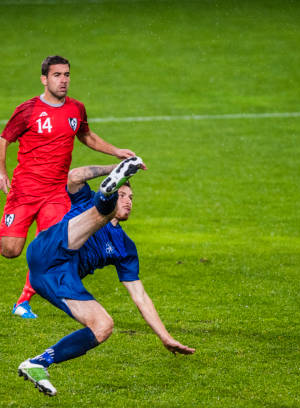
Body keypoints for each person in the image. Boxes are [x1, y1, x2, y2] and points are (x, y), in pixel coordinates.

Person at [0, 55, 142, 319]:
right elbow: (2, 142)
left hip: (56, 193)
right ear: (44, 79)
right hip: (25, 191)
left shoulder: (76, 109)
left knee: (50, 249)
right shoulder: (27, 110)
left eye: (67, 75)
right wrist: (1, 173)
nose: (64, 80)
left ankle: (23, 301)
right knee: (11, 250)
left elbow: (86, 136)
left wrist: (116, 152)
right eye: (57, 75)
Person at [17, 156, 195, 397]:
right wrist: (113, 168)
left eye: (131, 197)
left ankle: (38, 363)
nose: (129, 201)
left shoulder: (125, 247)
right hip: (48, 249)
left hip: (55, 279)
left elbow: (140, 296)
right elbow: (74, 177)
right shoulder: (84, 200)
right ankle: (111, 186)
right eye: (122, 195)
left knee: (103, 326)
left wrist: (165, 337)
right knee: (100, 212)